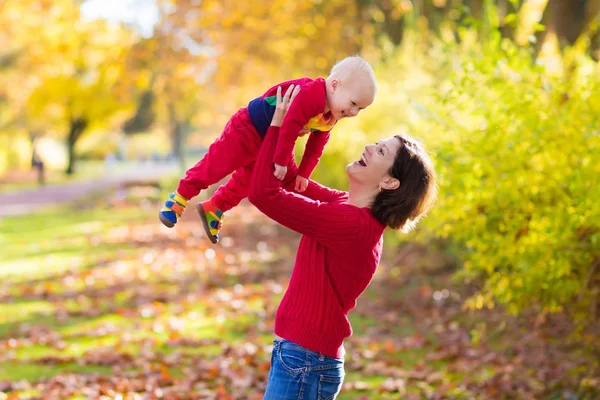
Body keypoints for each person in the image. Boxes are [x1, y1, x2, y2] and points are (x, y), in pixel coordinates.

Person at [247, 85, 438, 399]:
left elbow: (263, 195)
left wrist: (277, 127)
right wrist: (294, 125)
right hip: (301, 356)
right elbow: (291, 181)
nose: (368, 147)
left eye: (380, 151)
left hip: (304, 360)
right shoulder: (346, 206)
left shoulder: (352, 225)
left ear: (389, 182)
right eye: (377, 143)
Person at [158, 55, 377, 244]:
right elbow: (289, 125)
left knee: (248, 180)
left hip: (270, 141)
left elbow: (316, 146)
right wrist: (281, 161)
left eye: (361, 109)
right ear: (335, 85)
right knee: (215, 165)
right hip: (248, 128)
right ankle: (178, 198)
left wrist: (304, 173)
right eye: (353, 103)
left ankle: (215, 208)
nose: (354, 112)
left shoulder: (331, 115)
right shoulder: (313, 94)